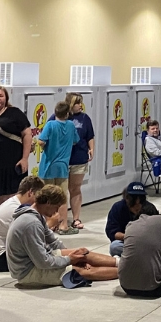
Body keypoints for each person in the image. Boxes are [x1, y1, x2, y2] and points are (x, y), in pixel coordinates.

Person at [7, 185, 118, 289]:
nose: (56, 212)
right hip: (27, 272)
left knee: (82, 253)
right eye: (56, 207)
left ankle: (121, 262)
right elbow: (43, 262)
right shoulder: (31, 223)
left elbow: (53, 242)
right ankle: (124, 270)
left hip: (37, 261)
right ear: (48, 203)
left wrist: (74, 256)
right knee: (78, 271)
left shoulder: (36, 215)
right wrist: (70, 260)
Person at [0, 175, 45, 272]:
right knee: (39, 256)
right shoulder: (16, 209)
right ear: (30, 193)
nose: (38, 202)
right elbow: (31, 238)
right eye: (38, 197)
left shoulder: (13, 203)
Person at [36, 101, 78, 235]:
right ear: (67, 114)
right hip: (63, 166)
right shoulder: (71, 125)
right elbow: (75, 140)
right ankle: (63, 225)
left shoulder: (50, 125)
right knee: (62, 197)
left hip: (48, 166)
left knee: (46, 197)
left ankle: (49, 225)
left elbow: (41, 141)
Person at [105, 182, 160, 257]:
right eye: (134, 199)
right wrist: (132, 237)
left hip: (147, 243)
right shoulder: (118, 208)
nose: (137, 203)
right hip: (127, 242)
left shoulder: (149, 208)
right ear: (127, 198)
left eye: (141, 199)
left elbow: (158, 230)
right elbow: (112, 232)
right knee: (114, 246)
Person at [66, 93, 94, 232]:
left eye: (81, 102)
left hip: (79, 158)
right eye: (77, 103)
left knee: (75, 188)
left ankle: (76, 218)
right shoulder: (59, 117)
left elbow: (90, 135)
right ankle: (59, 219)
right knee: (59, 190)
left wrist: (91, 148)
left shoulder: (85, 118)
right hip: (62, 159)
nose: (80, 105)